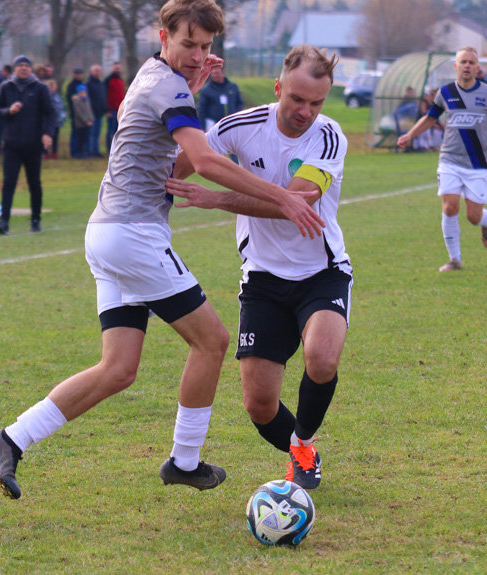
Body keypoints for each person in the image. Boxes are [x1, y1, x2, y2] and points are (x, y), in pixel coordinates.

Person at [0, 0, 324, 501]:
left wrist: (194, 84)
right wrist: (283, 197)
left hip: (107, 233)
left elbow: (160, 142)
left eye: (205, 46)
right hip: (133, 236)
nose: (197, 54)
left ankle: (10, 438)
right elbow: (203, 160)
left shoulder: (153, 78)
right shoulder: (166, 86)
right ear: (161, 35)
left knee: (118, 368)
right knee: (213, 340)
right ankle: (184, 461)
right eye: (187, 44)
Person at [165, 45, 350, 490]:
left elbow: (294, 201)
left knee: (321, 359)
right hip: (263, 280)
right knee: (259, 405)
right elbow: (182, 164)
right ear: (278, 88)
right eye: (297, 99)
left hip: (320, 272)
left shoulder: (329, 137)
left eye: (316, 103)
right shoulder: (241, 125)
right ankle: (299, 447)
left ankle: (303, 445)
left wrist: (217, 198)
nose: (306, 111)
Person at [397, 46, 487, 272]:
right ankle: (455, 260)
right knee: (449, 207)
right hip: (449, 160)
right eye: (463, 62)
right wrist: (410, 135)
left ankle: (486, 220)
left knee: (473, 216)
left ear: (477, 67)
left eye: (472, 62)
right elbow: (429, 118)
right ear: (456, 66)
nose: (467, 66)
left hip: (478, 163)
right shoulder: (445, 92)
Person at [0, 55, 55, 235]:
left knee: (34, 183)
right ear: (15, 69)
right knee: (9, 182)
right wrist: (7, 111)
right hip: (11, 144)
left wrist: (48, 133)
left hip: (33, 144)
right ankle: (4, 221)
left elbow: (51, 113)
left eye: (27, 66)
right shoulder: (6, 86)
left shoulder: (40, 88)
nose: (24, 68)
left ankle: (35, 220)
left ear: (31, 69)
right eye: (20, 66)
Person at [195, 65, 243, 131]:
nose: (214, 75)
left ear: (223, 73)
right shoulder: (206, 90)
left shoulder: (233, 87)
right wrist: (202, 127)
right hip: (213, 125)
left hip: (231, 124)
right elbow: (201, 109)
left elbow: (239, 103)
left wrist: (237, 118)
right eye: (212, 73)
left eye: (217, 73)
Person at [86, 64, 108, 157]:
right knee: (91, 133)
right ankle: (89, 151)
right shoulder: (88, 84)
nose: (97, 72)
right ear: (91, 72)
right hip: (91, 113)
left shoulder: (100, 83)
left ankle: (95, 150)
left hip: (100, 113)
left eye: (99, 71)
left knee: (97, 134)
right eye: (96, 70)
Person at [104, 62, 126, 154]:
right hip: (112, 110)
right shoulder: (108, 80)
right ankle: (109, 149)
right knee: (111, 130)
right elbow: (105, 95)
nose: (117, 70)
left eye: (118, 68)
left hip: (120, 110)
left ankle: (117, 149)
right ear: (112, 69)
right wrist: (107, 109)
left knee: (119, 130)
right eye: (116, 68)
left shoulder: (120, 80)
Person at [66, 67, 85, 157]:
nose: (78, 75)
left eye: (80, 73)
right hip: (75, 113)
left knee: (82, 133)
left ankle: (80, 151)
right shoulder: (71, 86)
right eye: (76, 73)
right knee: (75, 133)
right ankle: (74, 152)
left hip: (83, 113)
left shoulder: (83, 85)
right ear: (73, 74)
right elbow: (70, 99)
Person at [70, 83, 93, 158]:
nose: (83, 94)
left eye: (84, 92)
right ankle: (79, 152)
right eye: (81, 92)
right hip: (81, 123)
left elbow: (89, 111)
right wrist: (86, 121)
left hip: (88, 123)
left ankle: (84, 152)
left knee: (85, 138)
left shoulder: (87, 100)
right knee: (80, 138)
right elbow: (79, 112)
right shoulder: (76, 101)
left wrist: (91, 119)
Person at [46, 79, 67, 159]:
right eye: (49, 86)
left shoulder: (58, 96)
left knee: (55, 138)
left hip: (57, 121)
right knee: (47, 136)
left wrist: (62, 117)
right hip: (48, 122)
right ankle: (45, 152)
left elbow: (62, 108)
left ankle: (54, 152)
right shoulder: (45, 96)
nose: (51, 88)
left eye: (53, 86)